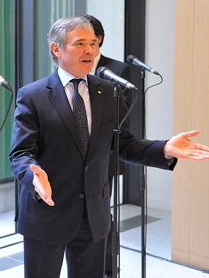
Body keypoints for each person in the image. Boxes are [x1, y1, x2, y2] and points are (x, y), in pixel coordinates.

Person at [9, 16, 209, 277]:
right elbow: (20, 153)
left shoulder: (107, 91)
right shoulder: (33, 95)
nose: (90, 51)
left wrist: (164, 148)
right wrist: (32, 173)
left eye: (93, 43)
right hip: (46, 211)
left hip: (93, 214)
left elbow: (124, 145)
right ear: (56, 49)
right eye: (80, 43)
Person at [86, 14, 132, 276]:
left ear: (99, 39)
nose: (84, 50)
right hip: (75, 159)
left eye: (88, 41)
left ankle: (108, 268)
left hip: (105, 155)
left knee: (102, 215)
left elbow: (122, 118)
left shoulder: (115, 70)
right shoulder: (68, 68)